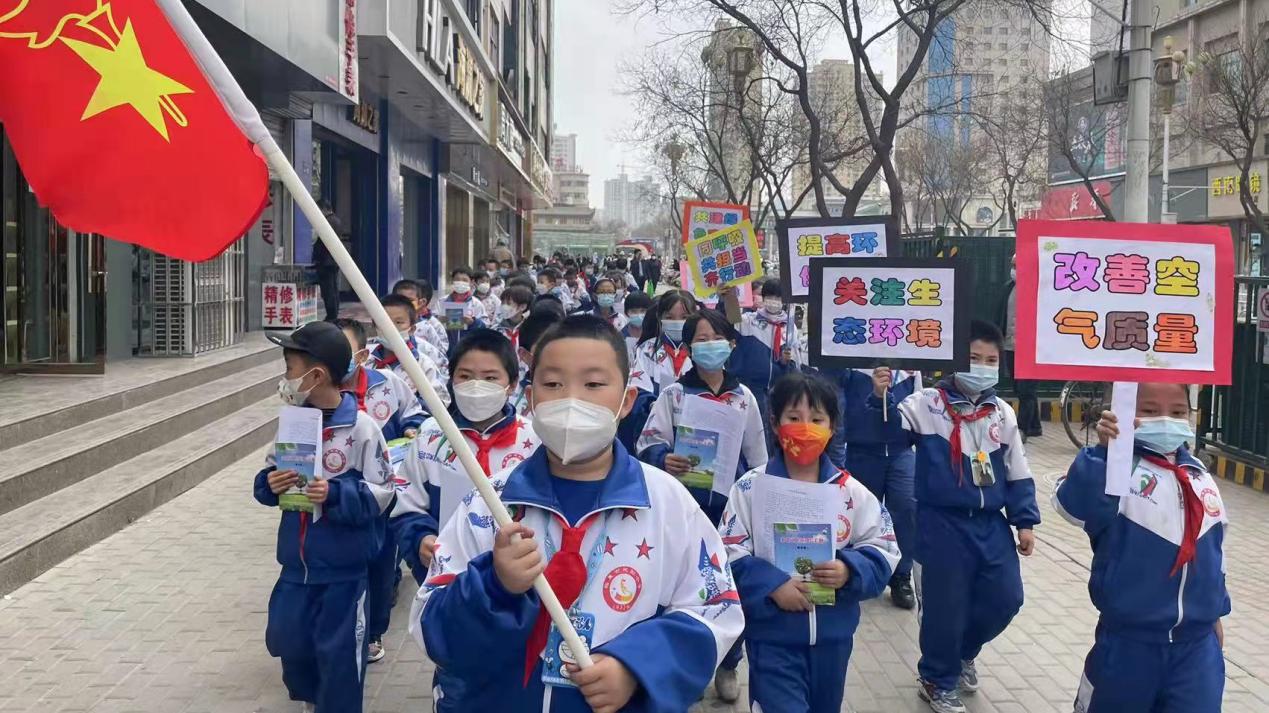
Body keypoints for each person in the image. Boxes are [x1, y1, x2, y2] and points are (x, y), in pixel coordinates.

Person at [408, 315, 744, 713]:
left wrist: (635, 666)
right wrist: (494, 586)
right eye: (552, 384)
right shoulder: (489, 502)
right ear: (530, 399)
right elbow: (430, 625)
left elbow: (716, 611)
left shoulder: (668, 502)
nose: (572, 399)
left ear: (627, 401)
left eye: (594, 384)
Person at [872, 319, 1038, 713]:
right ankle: (936, 678)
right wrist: (877, 398)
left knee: (1007, 597)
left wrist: (1025, 521)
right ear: (952, 360)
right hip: (940, 522)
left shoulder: (1001, 414)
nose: (981, 366)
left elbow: (1018, 469)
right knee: (946, 607)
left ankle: (963, 652)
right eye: (973, 358)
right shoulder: (924, 404)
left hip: (989, 523)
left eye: (990, 360)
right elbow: (887, 435)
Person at [721, 371, 901, 713]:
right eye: (794, 418)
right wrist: (772, 585)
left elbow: (886, 546)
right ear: (774, 423)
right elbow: (726, 552)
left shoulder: (851, 492)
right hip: (772, 639)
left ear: (832, 427)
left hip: (833, 643)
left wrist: (849, 570)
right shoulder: (749, 488)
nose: (805, 428)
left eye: (817, 419)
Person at [1054, 382, 1229, 713]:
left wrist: (1216, 613)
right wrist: (1104, 453)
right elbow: (1073, 506)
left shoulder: (1200, 476)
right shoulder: (1116, 471)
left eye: (1177, 412)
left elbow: (1216, 556)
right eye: (1148, 411)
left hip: (1197, 649)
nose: (1165, 419)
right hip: (1128, 646)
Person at [254, 321, 393, 713]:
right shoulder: (293, 422)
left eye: (290, 369)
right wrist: (271, 483)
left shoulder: (361, 428)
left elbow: (383, 493)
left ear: (316, 375)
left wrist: (336, 493)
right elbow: (265, 478)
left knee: (339, 658)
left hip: (343, 573)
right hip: (295, 567)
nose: (286, 379)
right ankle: (312, 697)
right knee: (289, 642)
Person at [634, 309, 767, 703]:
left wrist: (755, 500)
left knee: (729, 587)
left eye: (715, 337)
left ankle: (728, 663)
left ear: (730, 343)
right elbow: (647, 442)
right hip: (684, 507)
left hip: (728, 512)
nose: (708, 345)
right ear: (689, 349)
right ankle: (682, 665)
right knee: (681, 587)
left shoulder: (744, 398)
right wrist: (664, 458)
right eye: (700, 339)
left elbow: (758, 456)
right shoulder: (674, 395)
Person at [392, 329, 539, 587]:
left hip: (520, 581)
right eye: (465, 376)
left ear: (512, 384)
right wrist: (420, 538)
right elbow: (406, 503)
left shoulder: (534, 441)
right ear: (452, 379)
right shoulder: (431, 436)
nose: (476, 386)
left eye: (490, 378)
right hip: (447, 578)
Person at [335, 318, 424, 664]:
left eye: (340, 350)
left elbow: (413, 414)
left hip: (386, 494)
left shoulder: (387, 384)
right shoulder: (314, 393)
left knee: (381, 564)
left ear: (360, 354)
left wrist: (413, 431)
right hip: (337, 498)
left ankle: (372, 631)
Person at [825, 365, 921, 611]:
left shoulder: (911, 366)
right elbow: (835, 397)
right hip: (861, 449)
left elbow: (919, 408)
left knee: (907, 507)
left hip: (900, 450)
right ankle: (860, 568)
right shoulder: (852, 358)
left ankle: (900, 575)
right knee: (861, 514)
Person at [730, 281, 804, 425]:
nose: (774, 302)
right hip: (752, 387)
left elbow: (794, 362)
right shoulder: (749, 321)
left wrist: (784, 361)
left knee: (773, 429)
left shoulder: (789, 327)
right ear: (763, 298)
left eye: (778, 298)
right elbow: (730, 321)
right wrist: (728, 297)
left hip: (778, 390)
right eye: (770, 297)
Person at [373, 294, 450, 409]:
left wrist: (412, 403)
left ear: (412, 329)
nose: (391, 328)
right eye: (384, 322)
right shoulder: (366, 362)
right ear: (375, 326)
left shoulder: (423, 364)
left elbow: (442, 402)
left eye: (399, 322)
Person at [997, 254, 1041, 439]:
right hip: (1010, 345)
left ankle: (1022, 429)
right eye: (1012, 265)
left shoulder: (1036, 289)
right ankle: (1035, 426)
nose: (1013, 269)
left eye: (1017, 265)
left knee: (1026, 390)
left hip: (1030, 348)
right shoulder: (1008, 288)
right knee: (1019, 388)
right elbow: (1000, 316)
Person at [630, 289, 699, 395]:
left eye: (684, 317)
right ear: (659, 317)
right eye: (669, 317)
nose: (677, 322)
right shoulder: (645, 350)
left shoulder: (703, 349)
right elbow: (638, 389)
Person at [394, 278, 449, 359]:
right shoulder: (386, 325)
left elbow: (440, 356)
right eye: (399, 300)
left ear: (421, 302)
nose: (404, 304)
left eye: (409, 300)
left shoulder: (428, 327)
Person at [440, 267, 489, 355]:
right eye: (457, 279)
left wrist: (473, 322)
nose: (460, 282)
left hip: (470, 349)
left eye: (465, 280)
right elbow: (432, 323)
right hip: (447, 350)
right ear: (452, 281)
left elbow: (485, 325)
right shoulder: (442, 301)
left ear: (472, 282)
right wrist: (439, 320)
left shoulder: (476, 304)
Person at [312, 203, 345, 322]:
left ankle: (331, 314)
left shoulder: (327, 222)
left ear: (325, 209)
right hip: (333, 261)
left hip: (326, 262)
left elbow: (322, 243)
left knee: (328, 290)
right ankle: (333, 313)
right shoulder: (336, 220)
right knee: (333, 288)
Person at [621, 291, 653, 366]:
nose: (638, 315)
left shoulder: (654, 334)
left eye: (643, 311)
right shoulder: (620, 337)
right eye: (633, 311)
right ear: (626, 313)